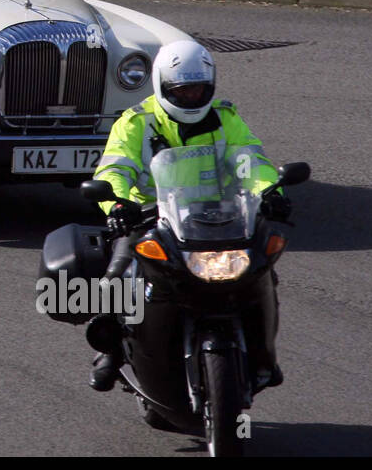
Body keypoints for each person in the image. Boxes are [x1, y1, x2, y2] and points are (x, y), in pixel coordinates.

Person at [87, 39, 290, 393]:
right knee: (117, 271)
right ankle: (112, 350)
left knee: (261, 271)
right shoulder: (136, 123)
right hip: (149, 217)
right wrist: (118, 205)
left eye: (200, 90)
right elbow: (113, 169)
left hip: (218, 216)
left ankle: (263, 356)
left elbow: (252, 161)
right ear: (163, 86)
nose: (193, 98)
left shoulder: (225, 117)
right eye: (183, 91)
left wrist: (271, 193)